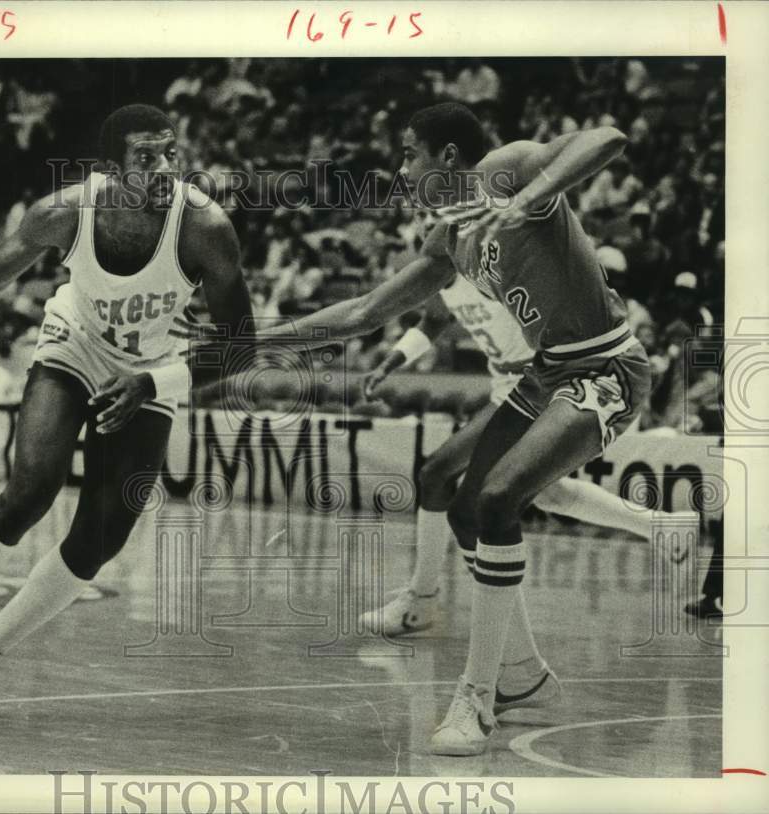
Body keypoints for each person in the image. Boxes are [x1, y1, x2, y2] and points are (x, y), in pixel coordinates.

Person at [259, 102, 652, 755]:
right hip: (547, 374)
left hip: (606, 366)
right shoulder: (450, 237)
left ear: (446, 157)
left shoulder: (504, 168)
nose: (401, 168)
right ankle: (522, 675)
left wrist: (527, 198)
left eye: (409, 153)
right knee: (463, 504)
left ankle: (476, 697)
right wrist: (260, 339)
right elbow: (365, 310)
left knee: (498, 499)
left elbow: (608, 136)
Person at [0, 104, 253, 719]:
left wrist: (153, 382)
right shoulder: (65, 212)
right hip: (73, 344)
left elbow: (241, 345)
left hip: (151, 368)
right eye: (145, 157)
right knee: (32, 488)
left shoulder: (205, 226)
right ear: (110, 170)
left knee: (103, 534)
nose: (163, 168)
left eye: (170, 153)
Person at [358, 218, 694, 640]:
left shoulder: (489, 263)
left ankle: (423, 600)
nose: (429, 226)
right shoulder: (444, 274)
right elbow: (434, 321)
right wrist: (391, 361)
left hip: (539, 382)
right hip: (507, 384)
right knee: (541, 492)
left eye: (436, 219)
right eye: (422, 221)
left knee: (439, 474)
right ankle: (660, 527)